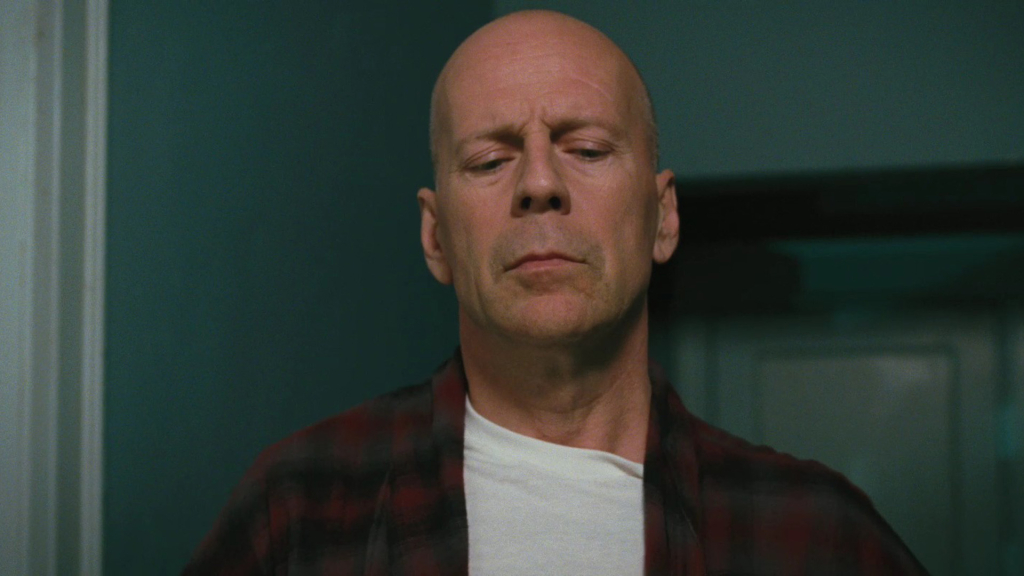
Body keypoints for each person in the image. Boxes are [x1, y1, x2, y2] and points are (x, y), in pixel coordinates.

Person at [184, 10, 928, 575]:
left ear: (663, 218)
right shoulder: (302, 507)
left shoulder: (815, 535)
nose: (539, 183)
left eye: (587, 150)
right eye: (489, 161)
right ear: (436, 237)